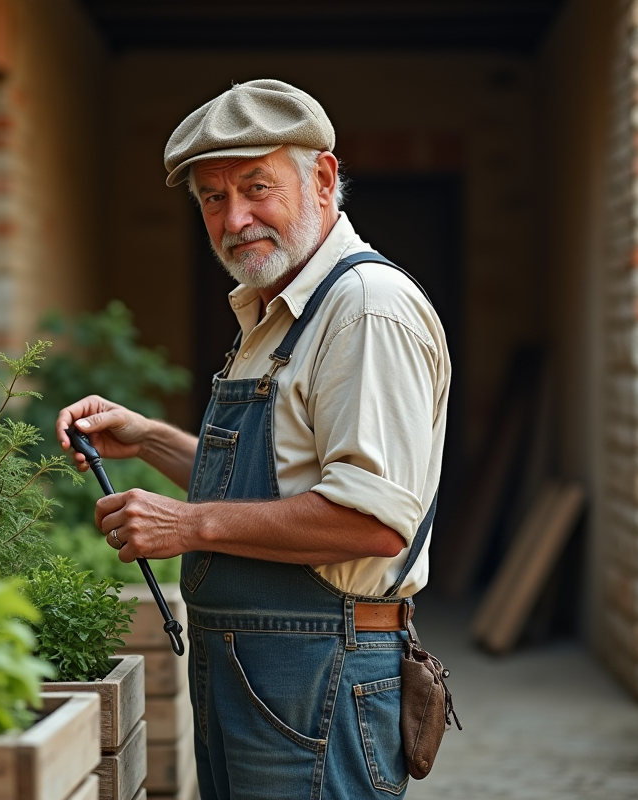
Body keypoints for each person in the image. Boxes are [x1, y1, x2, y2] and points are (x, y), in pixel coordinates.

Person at [55, 79, 451, 799]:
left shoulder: (364, 310)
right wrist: (147, 439)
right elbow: (279, 480)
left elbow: (371, 520)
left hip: (317, 677)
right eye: (212, 197)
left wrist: (185, 522)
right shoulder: (282, 310)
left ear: (323, 178)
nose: (235, 218)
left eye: (255, 186)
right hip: (261, 672)